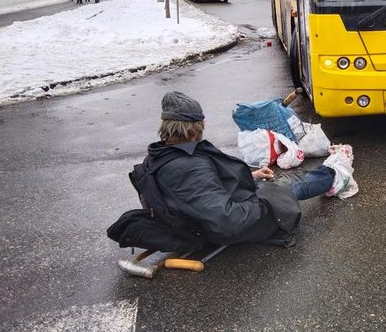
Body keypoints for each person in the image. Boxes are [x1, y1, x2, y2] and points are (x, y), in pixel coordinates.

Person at [148, 91, 356, 248]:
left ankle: (330, 175)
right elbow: (226, 220)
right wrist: (267, 203)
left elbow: (201, 190)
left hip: (220, 204)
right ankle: (336, 175)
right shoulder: (189, 168)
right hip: (233, 219)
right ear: (194, 128)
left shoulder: (163, 154)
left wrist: (249, 176)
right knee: (289, 184)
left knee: (280, 182)